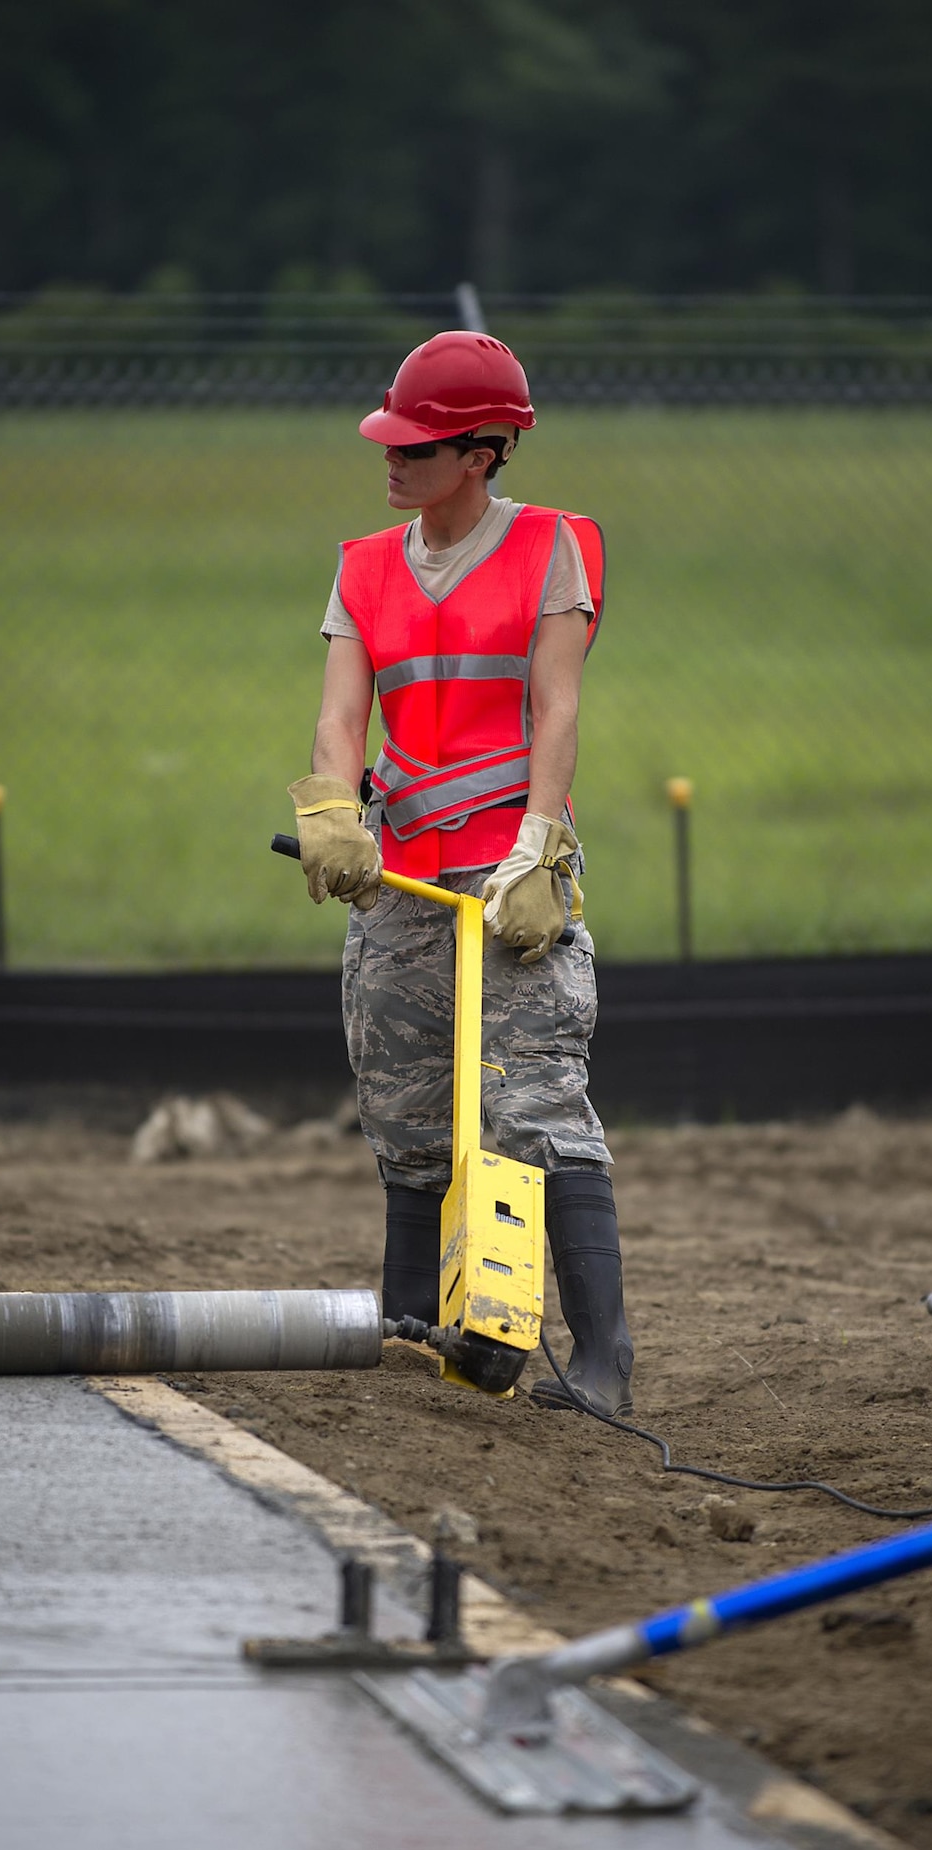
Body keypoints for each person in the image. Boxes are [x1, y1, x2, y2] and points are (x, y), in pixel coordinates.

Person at [287, 330, 634, 1417]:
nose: (392, 460)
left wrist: (537, 848)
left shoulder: (553, 548)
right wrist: (335, 806)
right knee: (406, 1108)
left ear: (483, 451)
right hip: (399, 881)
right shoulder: (361, 565)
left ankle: (599, 1363)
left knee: (532, 1102)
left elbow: (556, 706)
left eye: (418, 445)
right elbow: (344, 712)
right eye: (390, 439)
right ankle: (414, 1343)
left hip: (507, 867)